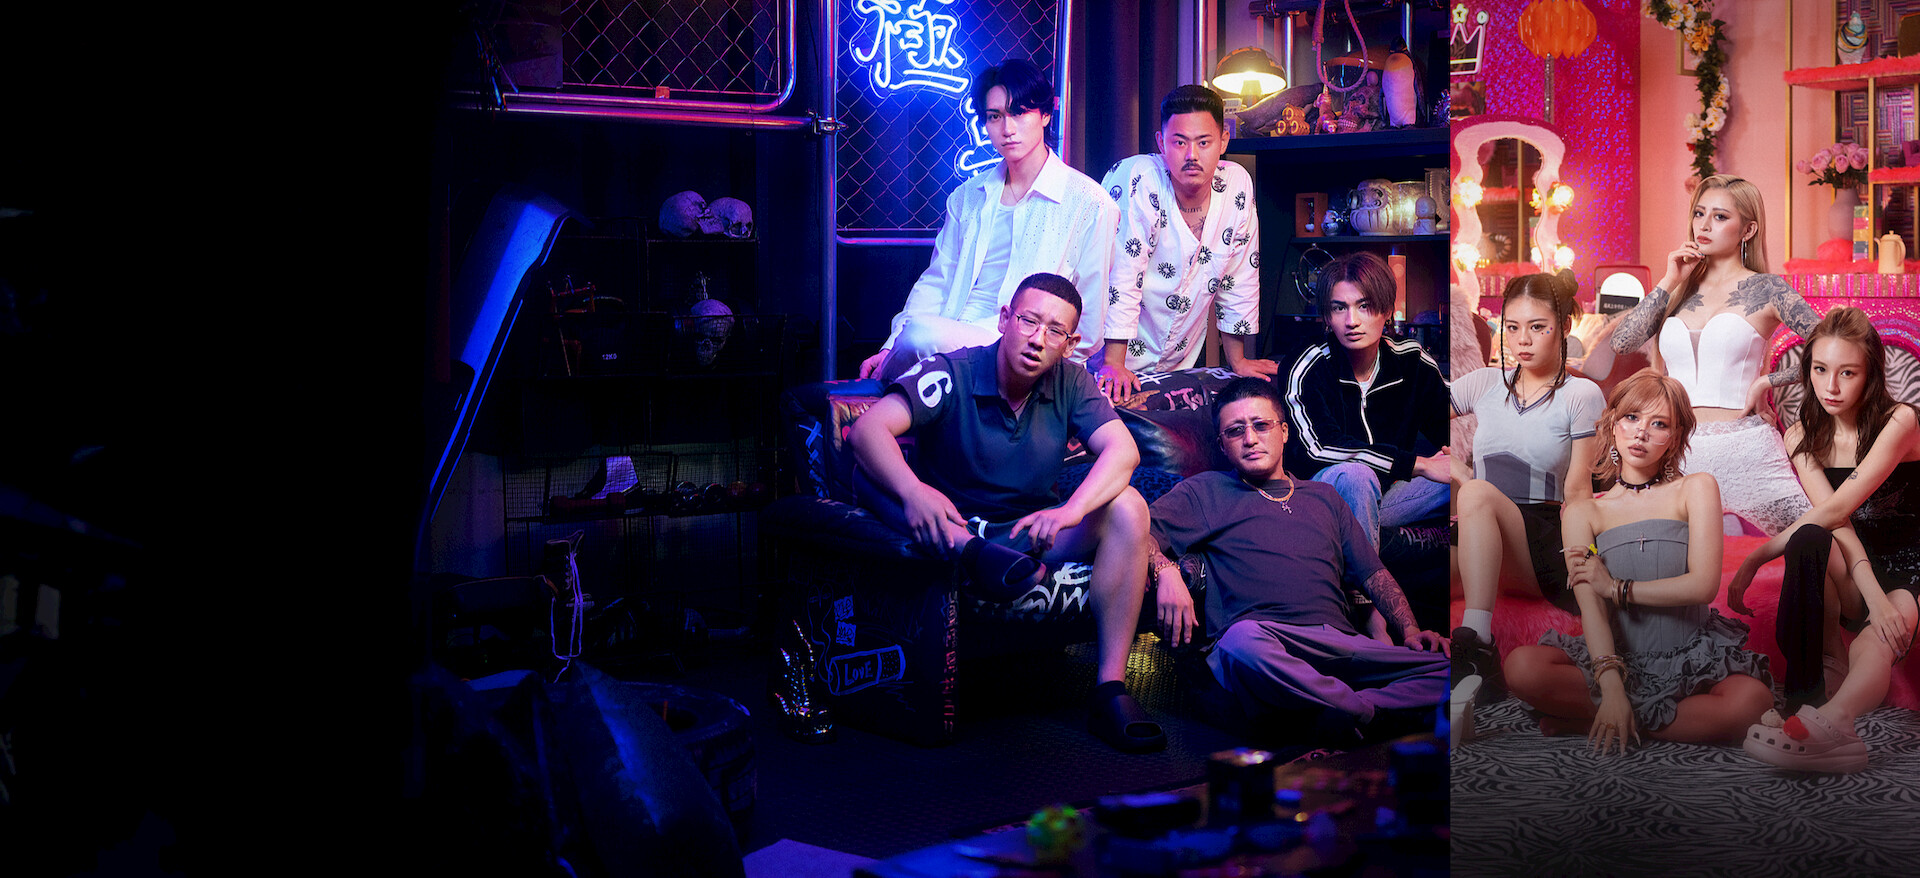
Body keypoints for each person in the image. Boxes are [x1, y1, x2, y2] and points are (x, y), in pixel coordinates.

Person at [848, 272, 1164, 752]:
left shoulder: (1073, 381)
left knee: (1130, 505)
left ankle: (1109, 691)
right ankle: (972, 554)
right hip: (950, 526)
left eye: (1055, 331)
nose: (1038, 339)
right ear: (1004, 320)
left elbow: (1124, 451)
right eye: (1028, 321)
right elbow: (867, 430)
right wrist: (914, 492)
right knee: (870, 478)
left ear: (1070, 344)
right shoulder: (952, 371)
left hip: (1028, 534)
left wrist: (1070, 511)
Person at [1147, 377, 1449, 742]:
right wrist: (1165, 570)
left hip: (1340, 641)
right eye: (1235, 431)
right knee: (1240, 645)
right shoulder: (1205, 490)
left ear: (1284, 431)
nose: (1250, 439)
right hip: (1261, 640)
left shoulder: (1324, 497)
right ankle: (1370, 713)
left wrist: (1411, 632)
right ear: (1222, 445)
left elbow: (1373, 574)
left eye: (1261, 425)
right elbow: (1137, 531)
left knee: (1460, 670)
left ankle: (1346, 708)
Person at [1500, 369, 1773, 754]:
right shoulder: (1583, 513)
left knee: (1752, 702)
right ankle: (1621, 708)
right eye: (1631, 417)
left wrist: (1615, 587)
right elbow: (1592, 608)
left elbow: (1703, 585)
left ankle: (1587, 721)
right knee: (1522, 667)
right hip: (1616, 656)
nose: (1641, 432)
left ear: (1675, 436)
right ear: (1612, 424)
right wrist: (1611, 686)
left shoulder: (1695, 488)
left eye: (1659, 423)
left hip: (1690, 653)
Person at [1727, 307, 1920, 772]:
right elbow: (1836, 522)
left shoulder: (1900, 421)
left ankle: (1837, 724)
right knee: (1809, 538)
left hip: (1909, 566)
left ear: (1870, 373)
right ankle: (1804, 695)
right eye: (1819, 369)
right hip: (1852, 563)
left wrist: (1756, 557)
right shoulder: (1801, 434)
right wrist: (1867, 591)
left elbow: (1837, 507)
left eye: (1847, 373)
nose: (1830, 386)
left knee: (1875, 639)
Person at [1583, 174, 1821, 537]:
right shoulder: (1679, 290)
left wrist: (1766, 382)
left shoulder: (1767, 289)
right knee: (1664, 551)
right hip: (1676, 450)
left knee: (1811, 541)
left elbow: (1838, 349)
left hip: (1746, 449)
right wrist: (1669, 280)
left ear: (1748, 229)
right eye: (1699, 213)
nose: (1704, 225)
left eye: (1720, 216)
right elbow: (1623, 342)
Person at [858, 59, 1118, 382]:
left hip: (1020, 349)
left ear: (1045, 115)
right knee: (918, 335)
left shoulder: (1090, 203)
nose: (1007, 129)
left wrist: (1050, 381)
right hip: (945, 332)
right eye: (995, 116)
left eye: (1019, 112)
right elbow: (936, 283)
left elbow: (1089, 320)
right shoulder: (967, 197)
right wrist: (892, 347)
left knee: (921, 336)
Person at [1449, 271, 1605, 704]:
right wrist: (1448, 466)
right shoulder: (1484, 382)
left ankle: (1477, 646)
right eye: (1512, 327)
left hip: (1539, 541)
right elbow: (1411, 415)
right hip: (1476, 529)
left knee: (1476, 491)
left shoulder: (1582, 395)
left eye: (1538, 327)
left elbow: (1579, 492)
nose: (1522, 340)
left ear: (1564, 326)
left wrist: (1587, 561)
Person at [1091, 84, 1272, 401]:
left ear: (1223, 141)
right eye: (1179, 142)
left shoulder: (1236, 185)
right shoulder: (1139, 177)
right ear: (1161, 142)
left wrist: (1238, 361)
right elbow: (1121, 275)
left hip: (1176, 366)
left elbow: (1238, 278)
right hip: (1103, 362)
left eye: (1204, 142)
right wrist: (1114, 364)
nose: (1192, 155)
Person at [1283, 250, 1451, 548]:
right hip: (1324, 498)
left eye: (1364, 306)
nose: (1352, 321)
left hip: (1389, 496)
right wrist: (1418, 464)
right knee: (1357, 476)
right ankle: (1367, 577)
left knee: (1474, 472)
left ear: (1387, 311)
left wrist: (1459, 454)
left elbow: (1450, 424)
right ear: (1327, 317)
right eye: (1339, 308)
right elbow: (1319, 449)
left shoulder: (1411, 360)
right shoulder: (1308, 364)